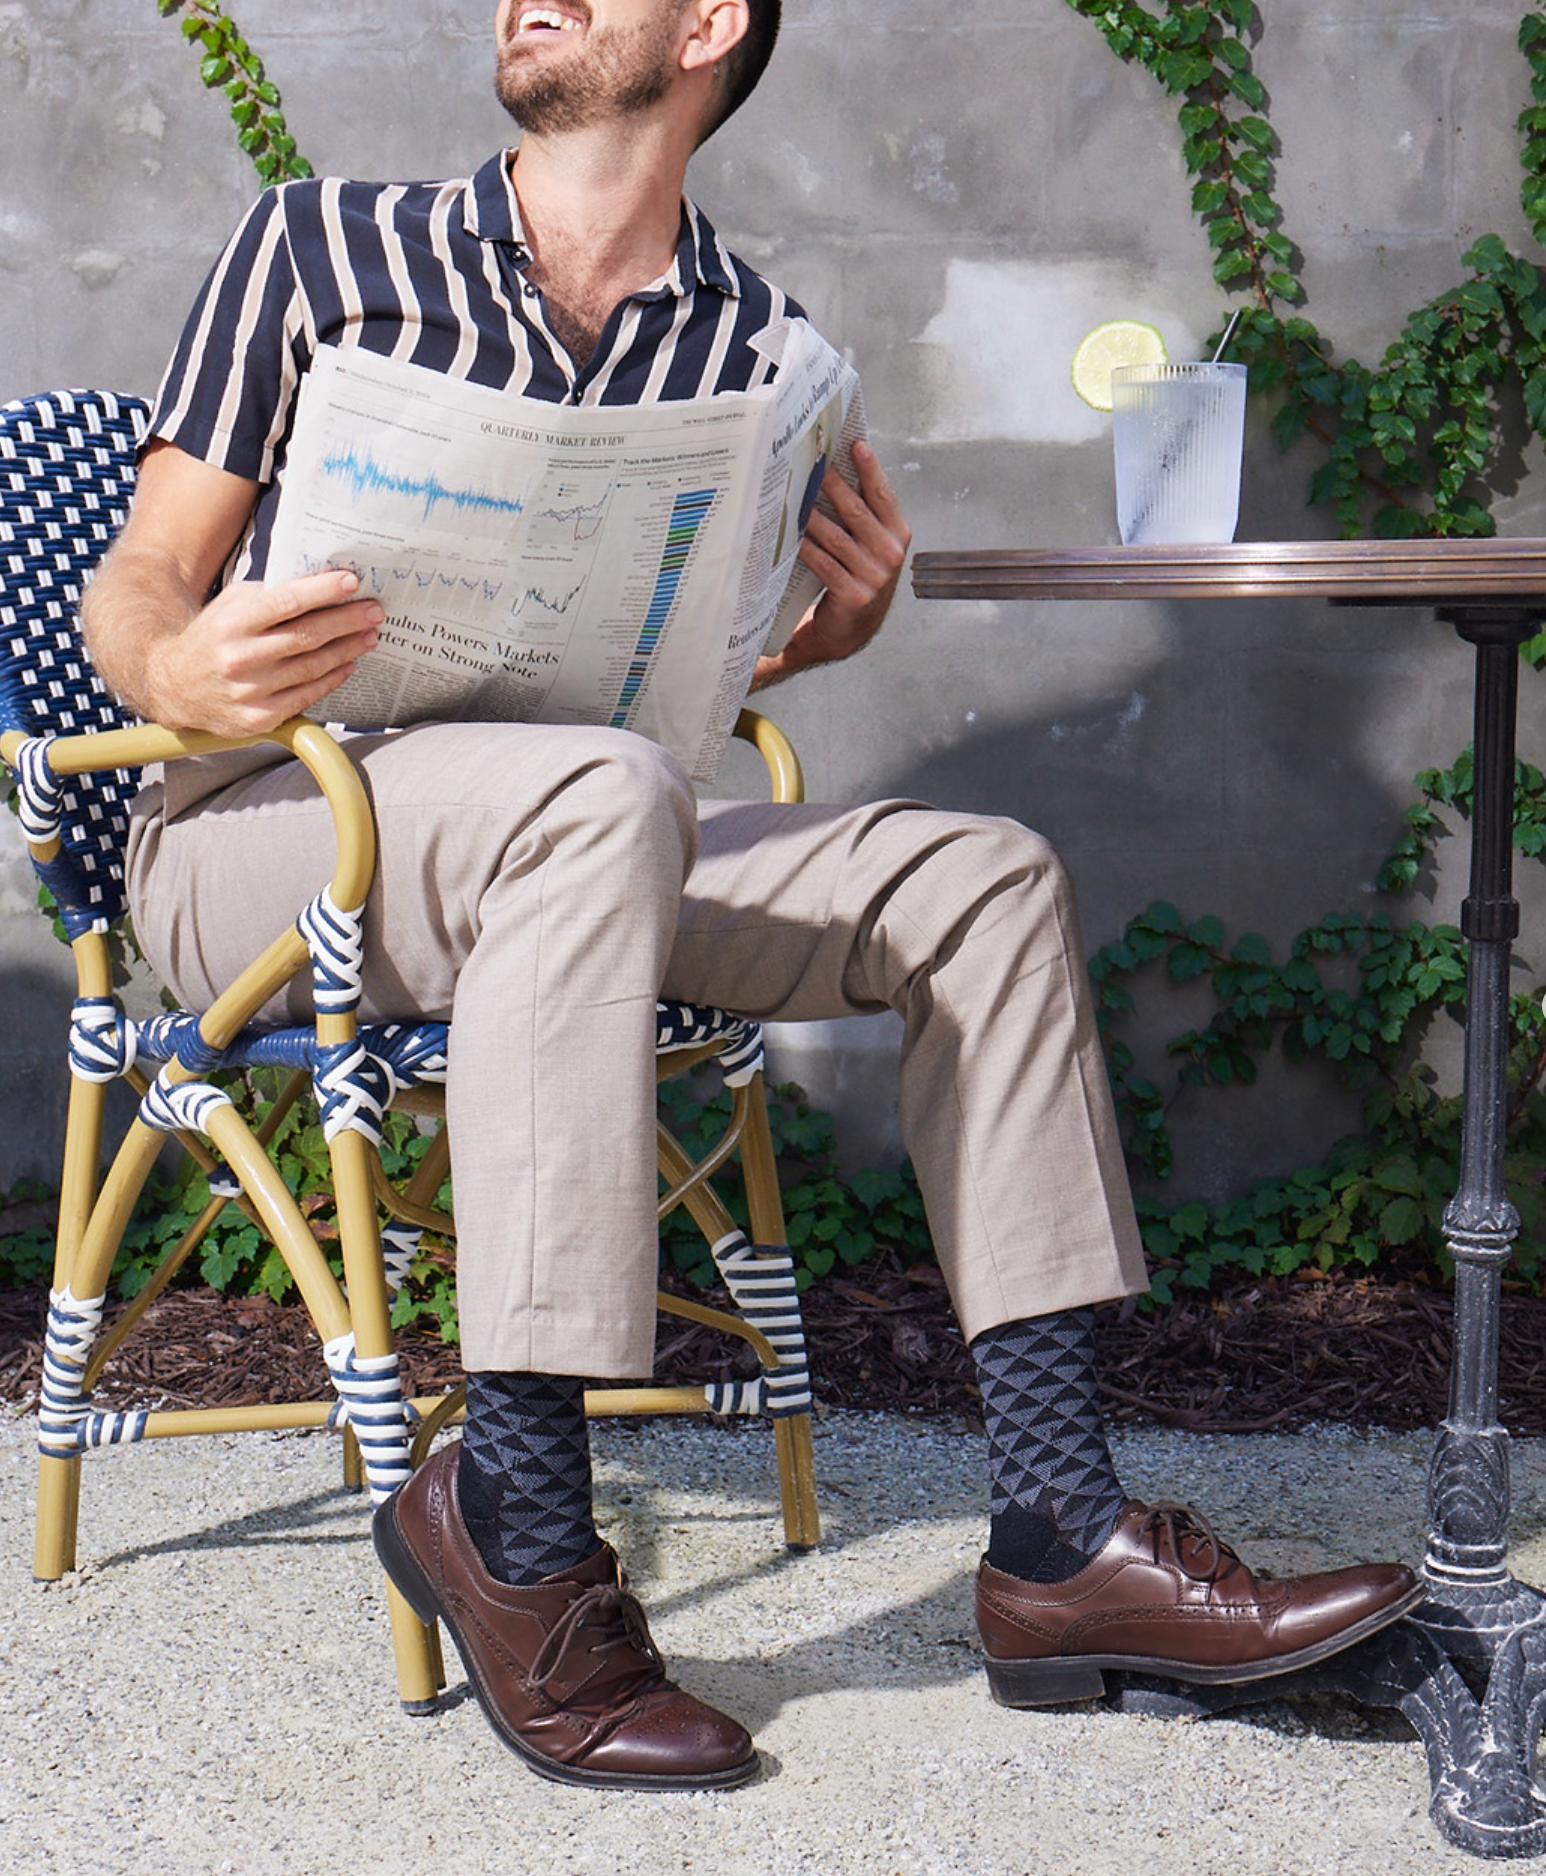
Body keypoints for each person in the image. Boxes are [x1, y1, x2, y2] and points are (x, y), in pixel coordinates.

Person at [82, 0, 1423, 1793]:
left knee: (976, 876)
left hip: (576, 832)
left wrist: (819, 639)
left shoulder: (759, 350)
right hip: (273, 829)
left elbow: (676, 689)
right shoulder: (320, 246)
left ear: (710, 22)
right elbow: (138, 587)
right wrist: (183, 658)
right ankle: (519, 1523)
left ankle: (1058, 1540)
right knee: (600, 795)